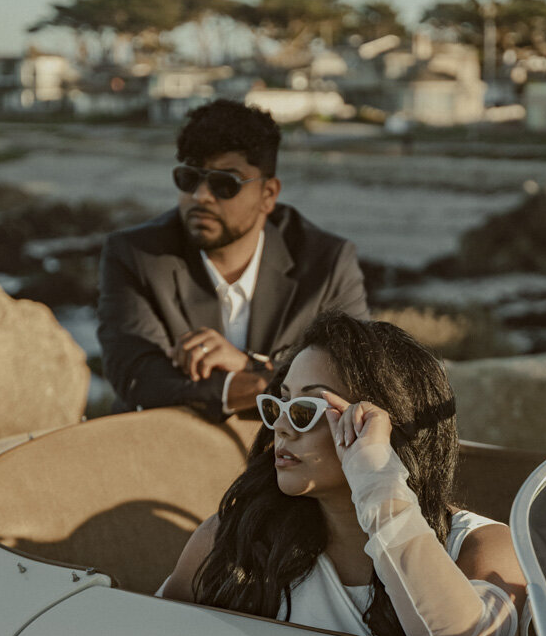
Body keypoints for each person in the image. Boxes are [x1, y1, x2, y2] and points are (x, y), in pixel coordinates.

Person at [162, 312, 530, 636]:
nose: (284, 428)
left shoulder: (483, 548)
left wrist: (377, 478)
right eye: (279, 404)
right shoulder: (231, 538)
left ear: (386, 425)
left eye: (306, 409)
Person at [97, 99, 369, 422]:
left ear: (268, 195)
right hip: (166, 451)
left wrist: (246, 365)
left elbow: (355, 375)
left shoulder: (327, 263)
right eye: (188, 178)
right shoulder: (135, 254)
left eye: (225, 183)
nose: (201, 196)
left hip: (280, 458)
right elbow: (137, 375)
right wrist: (260, 384)